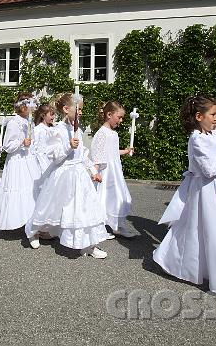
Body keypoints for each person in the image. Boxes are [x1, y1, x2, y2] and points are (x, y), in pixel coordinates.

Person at [153, 96, 216, 297]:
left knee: (197, 230)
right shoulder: (196, 139)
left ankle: (180, 261)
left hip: (214, 189)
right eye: (213, 115)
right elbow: (208, 168)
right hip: (203, 190)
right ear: (199, 116)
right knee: (213, 232)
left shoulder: (214, 134)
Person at [25, 92, 109, 258]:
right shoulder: (58, 130)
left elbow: (83, 154)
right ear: (65, 109)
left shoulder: (77, 129)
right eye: (78, 109)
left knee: (84, 208)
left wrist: (93, 171)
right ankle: (35, 231)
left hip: (79, 175)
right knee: (50, 207)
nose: (81, 112)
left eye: (81, 109)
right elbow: (54, 156)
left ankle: (88, 245)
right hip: (63, 174)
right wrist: (68, 147)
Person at [0, 92, 41, 230]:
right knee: (20, 189)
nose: (34, 108)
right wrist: (21, 142)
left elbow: (34, 142)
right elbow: (7, 146)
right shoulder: (14, 122)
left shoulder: (29, 122)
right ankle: (19, 219)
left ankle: (32, 222)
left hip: (29, 160)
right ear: (24, 106)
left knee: (32, 190)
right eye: (32, 105)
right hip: (18, 161)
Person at [90, 101, 135, 239]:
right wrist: (95, 171)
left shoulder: (113, 134)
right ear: (109, 114)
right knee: (105, 198)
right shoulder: (102, 133)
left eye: (122, 118)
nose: (121, 121)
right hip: (106, 172)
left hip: (115, 171)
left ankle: (118, 226)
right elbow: (97, 154)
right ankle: (99, 226)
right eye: (119, 117)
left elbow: (113, 152)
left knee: (120, 198)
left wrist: (126, 151)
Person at [32, 103, 55, 174]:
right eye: (51, 115)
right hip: (42, 160)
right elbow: (34, 146)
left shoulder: (53, 129)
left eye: (54, 115)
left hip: (53, 158)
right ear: (43, 115)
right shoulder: (38, 129)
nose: (53, 117)